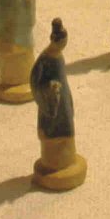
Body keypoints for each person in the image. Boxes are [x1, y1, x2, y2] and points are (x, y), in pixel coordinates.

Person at [29, 18, 86, 190]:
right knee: (52, 133)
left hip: (63, 102)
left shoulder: (58, 56)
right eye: (62, 42)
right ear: (54, 41)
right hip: (52, 104)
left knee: (67, 128)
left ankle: (67, 161)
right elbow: (34, 82)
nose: (63, 45)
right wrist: (49, 89)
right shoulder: (44, 60)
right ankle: (54, 164)